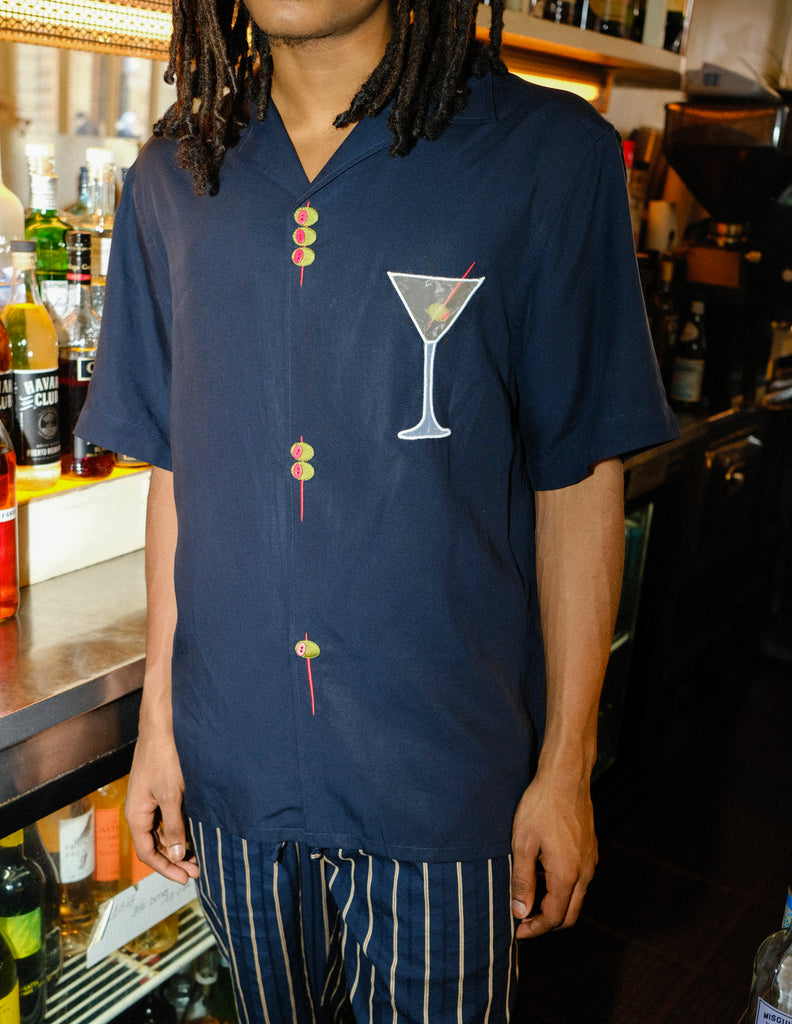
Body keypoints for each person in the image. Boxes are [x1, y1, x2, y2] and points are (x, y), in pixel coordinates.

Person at [77, 0, 679, 1018]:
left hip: (443, 783)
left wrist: (565, 766)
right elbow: (180, 469)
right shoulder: (175, 173)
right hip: (236, 782)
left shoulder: (547, 156)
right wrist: (159, 729)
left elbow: (577, 479)